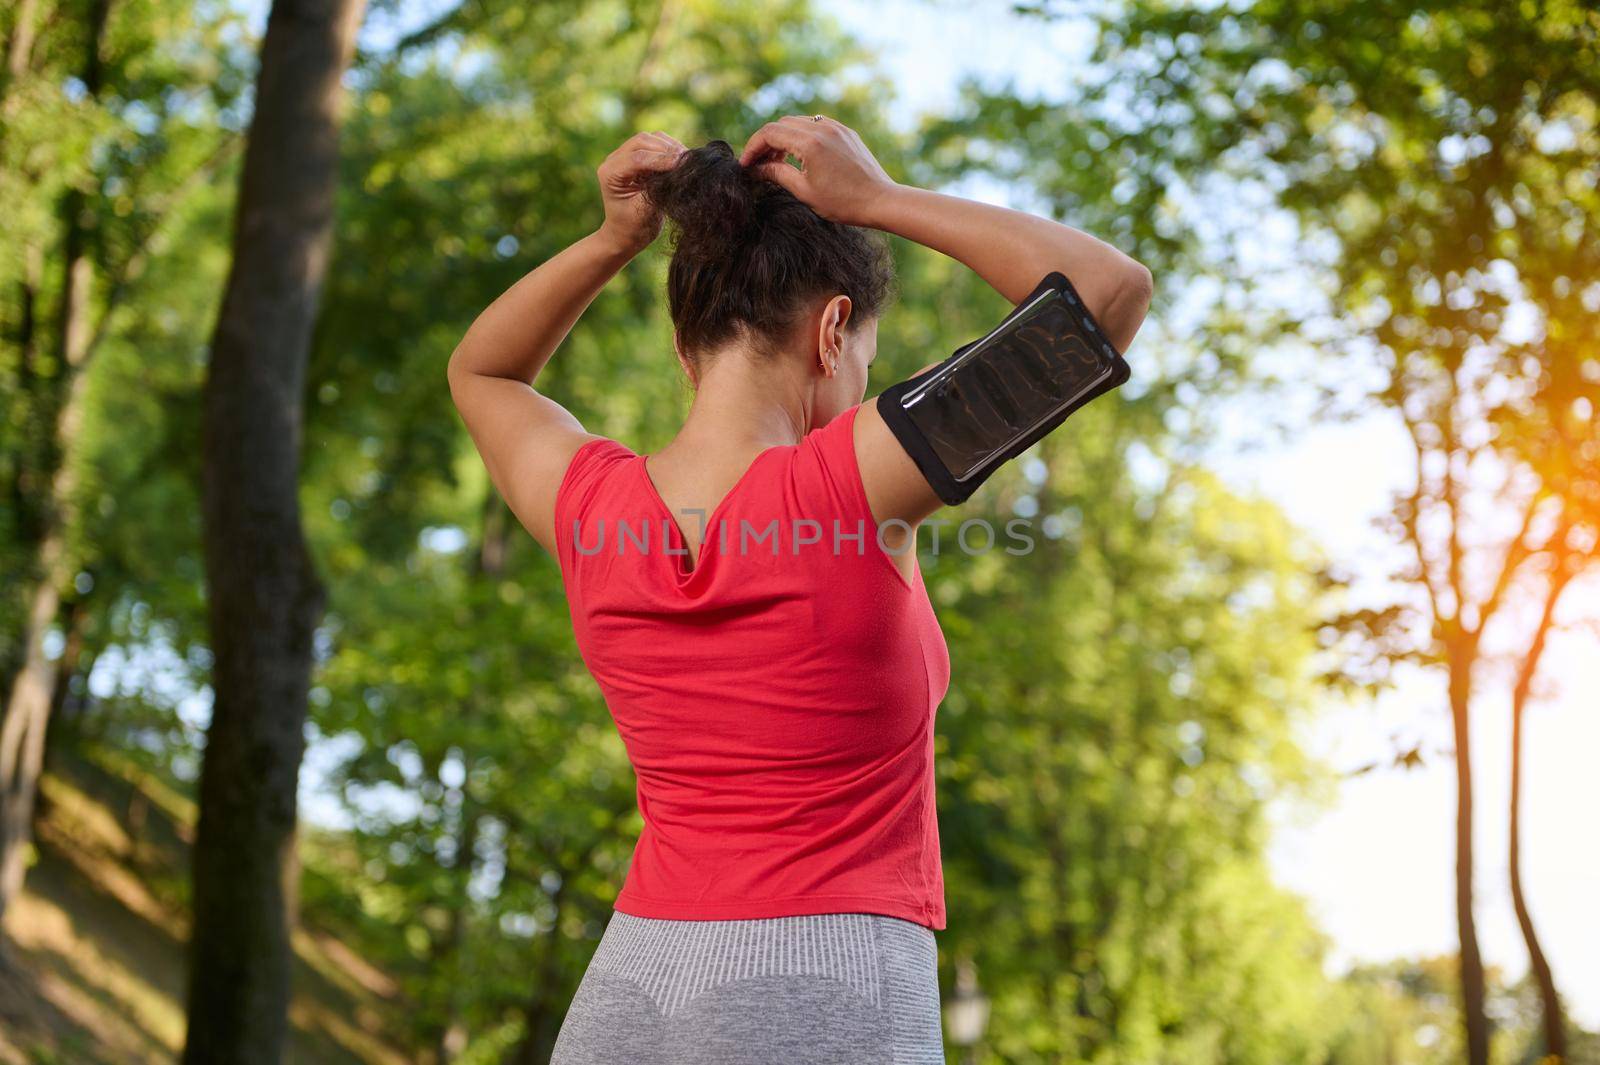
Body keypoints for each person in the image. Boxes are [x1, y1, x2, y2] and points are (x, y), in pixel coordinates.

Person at [447, 116, 1152, 1064]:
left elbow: (483, 370)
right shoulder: (849, 482)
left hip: (631, 985)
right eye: (864, 350)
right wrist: (877, 201)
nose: (863, 375)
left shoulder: (591, 508)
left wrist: (615, 238)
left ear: (682, 349)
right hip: (826, 979)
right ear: (831, 331)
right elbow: (1109, 294)